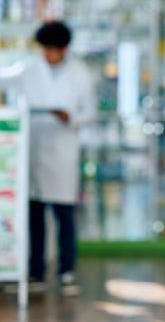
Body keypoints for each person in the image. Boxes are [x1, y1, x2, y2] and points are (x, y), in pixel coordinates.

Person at [0, 21, 96, 295]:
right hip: (33, 154)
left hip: (64, 153)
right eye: (43, 50)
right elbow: (3, 77)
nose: (47, 55)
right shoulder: (30, 69)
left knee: (65, 218)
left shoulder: (80, 74)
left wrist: (71, 117)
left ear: (64, 49)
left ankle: (67, 271)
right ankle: (35, 273)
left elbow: (90, 113)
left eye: (52, 50)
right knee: (35, 219)